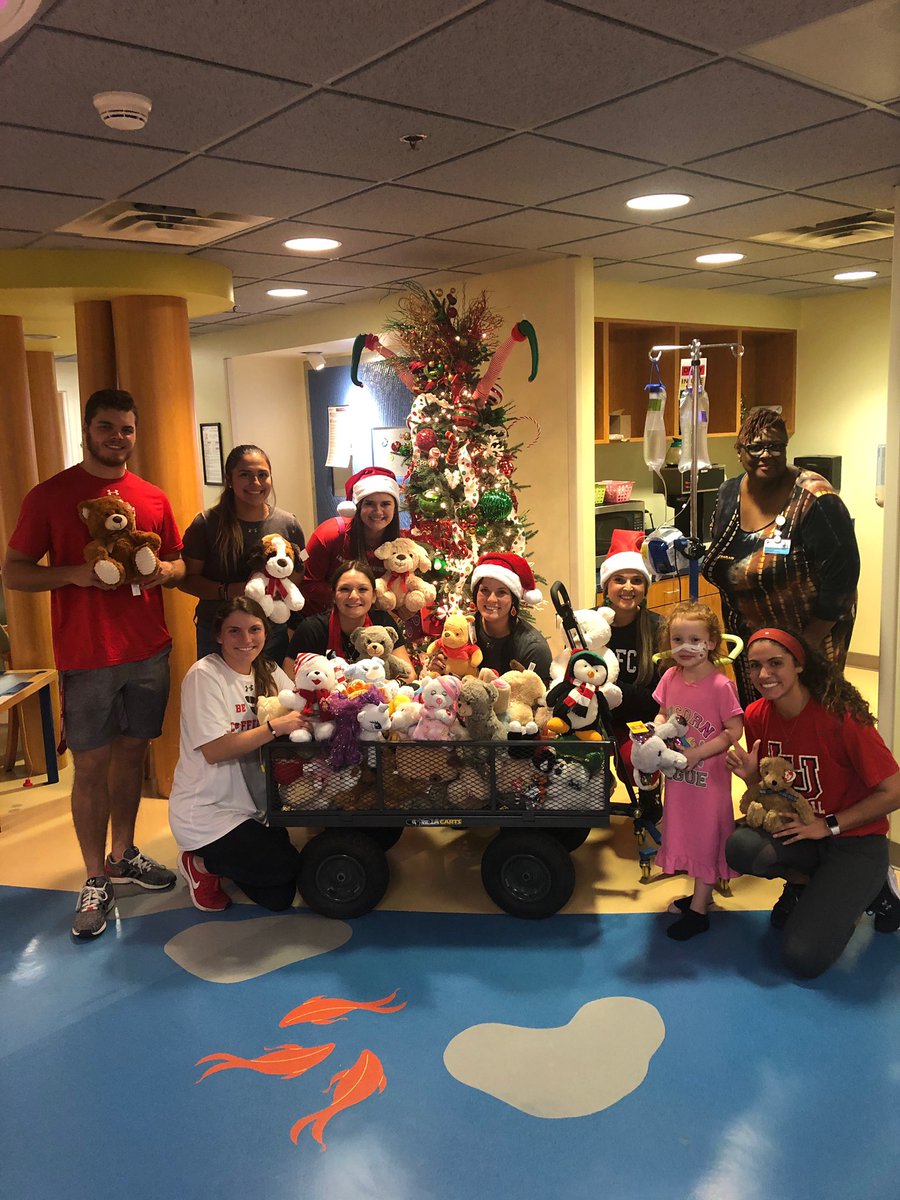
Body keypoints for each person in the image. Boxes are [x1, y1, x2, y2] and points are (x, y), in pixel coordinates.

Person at [3, 388, 185, 940]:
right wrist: (71, 574)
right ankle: (93, 878)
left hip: (148, 651)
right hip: (85, 657)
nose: (118, 438)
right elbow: (14, 572)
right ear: (88, 430)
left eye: (127, 429)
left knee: (133, 757)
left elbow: (177, 560)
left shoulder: (152, 497)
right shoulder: (49, 496)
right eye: (108, 427)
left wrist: (167, 575)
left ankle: (123, 854)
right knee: (91, 769)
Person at [725, 628, 900, 978]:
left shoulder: (842, 717)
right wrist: (749, 778)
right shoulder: (758, 715)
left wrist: (828, 824)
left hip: (854, 841)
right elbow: (775, 787)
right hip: (800, 832)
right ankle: (806, 883)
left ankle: (877, 889)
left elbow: (893, 791)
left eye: (776, 663)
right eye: (754, 666)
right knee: (741, 847)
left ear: (799, 665)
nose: (763, 675)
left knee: (802, 957)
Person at [703, 408, 859, 707]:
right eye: (756, 446)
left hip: (809, 639)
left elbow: (843, 579)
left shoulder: (815, 498)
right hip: (750, 641)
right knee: (760, 716)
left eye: (776, 446)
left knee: (808, 720)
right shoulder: (728, 492)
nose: (767, 454)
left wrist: (802, 646)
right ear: (739, 451)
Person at [169, 598, 307, 912]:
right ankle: (201, 863)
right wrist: (274, 727)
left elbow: (303, 703)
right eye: (235, 631)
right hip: (208, 812)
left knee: (279, 898)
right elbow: (215, 750)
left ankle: (234, 858)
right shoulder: (204, 676)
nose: (246, 640)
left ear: (266, 632)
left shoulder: (269, 670)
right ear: (218, 635)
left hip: (254, 807)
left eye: (254, 630)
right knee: (283, 867)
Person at [652, 601, 744, 941]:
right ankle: (699, 895)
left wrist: (697, 754)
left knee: (706, 839)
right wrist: (656, 729)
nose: (685, 647)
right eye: (678, 640)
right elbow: (663, 713)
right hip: (679, 781)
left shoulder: (721, 685)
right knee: (686, 834)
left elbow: (734, 730)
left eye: (695, 639)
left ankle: (699, 912)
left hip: (709, 783)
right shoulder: (670, 676)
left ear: (711, 643)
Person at [179, 444, 304, 662]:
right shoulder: (206, 524)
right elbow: (187, 580)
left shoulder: (288, 524)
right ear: (229, 479)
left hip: (271, 633)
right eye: (245, 475)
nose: (255, 483)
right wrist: (228, 591)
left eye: (262, 475)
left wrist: (277, 591)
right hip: (219, 635)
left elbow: (299, 570)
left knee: (271, 696)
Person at [599, 530, 664, 778]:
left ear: (645, 588)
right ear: (607, 586)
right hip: (596, 722)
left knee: (638, 762)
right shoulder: (589, 625)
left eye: (636, 580)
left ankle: (649, 804)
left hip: (639, 722)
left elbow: (658, 699)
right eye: (619, 580)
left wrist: (615, 688)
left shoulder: (658, 629)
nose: (628, 587)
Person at [285, 560, 413, 678]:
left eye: (362, 589)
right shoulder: (311, 629)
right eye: (345, 589)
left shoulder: (383, 622)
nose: (353, 596)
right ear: (334, 596)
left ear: (373, 596)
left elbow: (409, 675)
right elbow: (289, 677)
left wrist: (388, 686)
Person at [300, 466, 401, 616]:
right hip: (322, 620)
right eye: (369, 503)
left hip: (372, 626)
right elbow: (306, 583)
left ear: (394, 508)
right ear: (357, 507)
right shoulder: (329, 534)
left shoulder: (401, 546)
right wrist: (349, 598)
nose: (378, 511)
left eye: (385, 504)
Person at [464, 552, 552, 683]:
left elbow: (539, 698)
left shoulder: (533, 648)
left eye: (501, 592)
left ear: (513, 600)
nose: (491, 599)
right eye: (484, 590)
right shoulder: (464, 628)